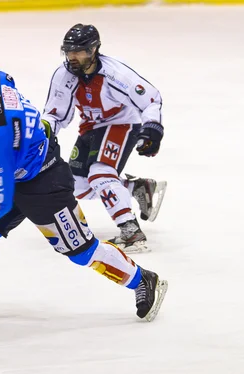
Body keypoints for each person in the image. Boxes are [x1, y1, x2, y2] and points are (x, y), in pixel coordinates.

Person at [0, 65, 167, 321]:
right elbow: (7, 77)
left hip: (45, 183)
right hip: (21, 167)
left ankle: (143, 279)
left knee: (81, 250)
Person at [42, 23, 168, 253]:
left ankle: (130, 230)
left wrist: (152, 127)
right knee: (77, 185)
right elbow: (54, 114)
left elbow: (150, 98)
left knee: (100, 173)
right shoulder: (64, 75)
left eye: (78, 51)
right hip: (90, 128)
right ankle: (137, 188)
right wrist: (43, 135)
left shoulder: (115, 74)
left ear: (93, 50)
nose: (72, 57)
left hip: (121, 123)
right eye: (68, 51)